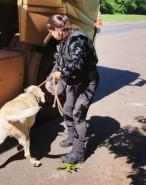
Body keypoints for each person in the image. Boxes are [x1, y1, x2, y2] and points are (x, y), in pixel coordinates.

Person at [45, 14, 99, 164]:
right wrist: (51, 77)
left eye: (51, 32)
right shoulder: (64, 40)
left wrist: (60, 74)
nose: (50, 35)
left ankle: (78, 152)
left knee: (78, 115)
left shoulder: (77, 40)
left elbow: (77, 66)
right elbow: (59, 61)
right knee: (68, 109)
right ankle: (71, 135)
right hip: (73, 81)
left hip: (86, 81)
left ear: (57, 29)